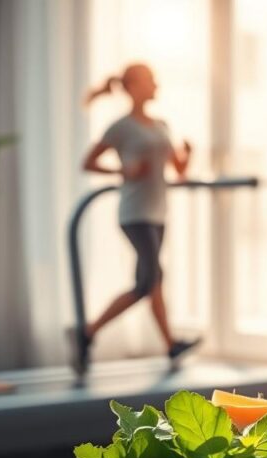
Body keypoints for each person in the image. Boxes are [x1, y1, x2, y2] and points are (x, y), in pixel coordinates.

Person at [75, 62, 199, 367]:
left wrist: (188, 154)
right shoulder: (121, 128)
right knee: (149, 280)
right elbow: (87, 163)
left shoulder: (162, 125)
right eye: (150, 80)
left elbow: (179, 170)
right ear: (132, 87)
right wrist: (123, 170)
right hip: (134, 213)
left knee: (152, 278)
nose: (156, 85)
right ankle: (90, 330)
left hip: (158, 213)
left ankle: (169, 346)